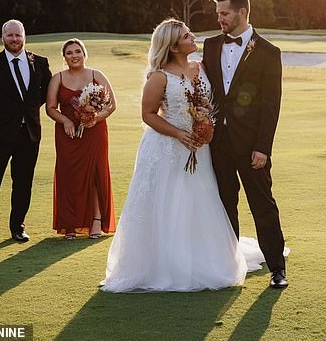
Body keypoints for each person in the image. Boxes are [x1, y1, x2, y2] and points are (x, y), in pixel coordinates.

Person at [102, 19, 264, 292]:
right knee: (170, 201)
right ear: (174, 45)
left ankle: (201, 257)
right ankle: (166, 263)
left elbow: (211, 103)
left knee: (199, 200)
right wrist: (178, 134)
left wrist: (204, 128)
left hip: (199, 148)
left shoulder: (200, 68)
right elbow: (148, 115)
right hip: (167, 149)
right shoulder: (159, 77)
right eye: (187, 36)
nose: (193, 37)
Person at [202, 0, 288, 288]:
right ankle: (229, 267)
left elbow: (270, 106)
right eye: (218, 14)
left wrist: (263, 147)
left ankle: (278, 267)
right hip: (217, 143)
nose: (220, 19)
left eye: (224, 14)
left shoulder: (268, 52)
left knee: (262, 205)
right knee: (225, 205)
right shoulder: (210, 46)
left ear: (242, 12)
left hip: (253, 146)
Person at [0, 19, 52, 247]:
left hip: (29, 135)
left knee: (23, 182)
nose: (14, 39)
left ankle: (18, 228)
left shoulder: (40, 63)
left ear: (25, 37)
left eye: (18, 35)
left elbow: (47, 93)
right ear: (2, 38)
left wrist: (30, 110)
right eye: (10, 35)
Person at [45, 39, 116, 239]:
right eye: (69, 53)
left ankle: (96, 220)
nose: (74, 55)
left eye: (78, 51)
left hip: (94, 134)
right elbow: (50, 108)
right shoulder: (57, 78)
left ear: (84, 54)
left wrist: (95, 118)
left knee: (94, 174)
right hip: (68, 135)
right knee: (69, 175)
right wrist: (65, 120)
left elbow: (111, 105)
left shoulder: (96, 75)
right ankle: (70, 224)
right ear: (64, 57)